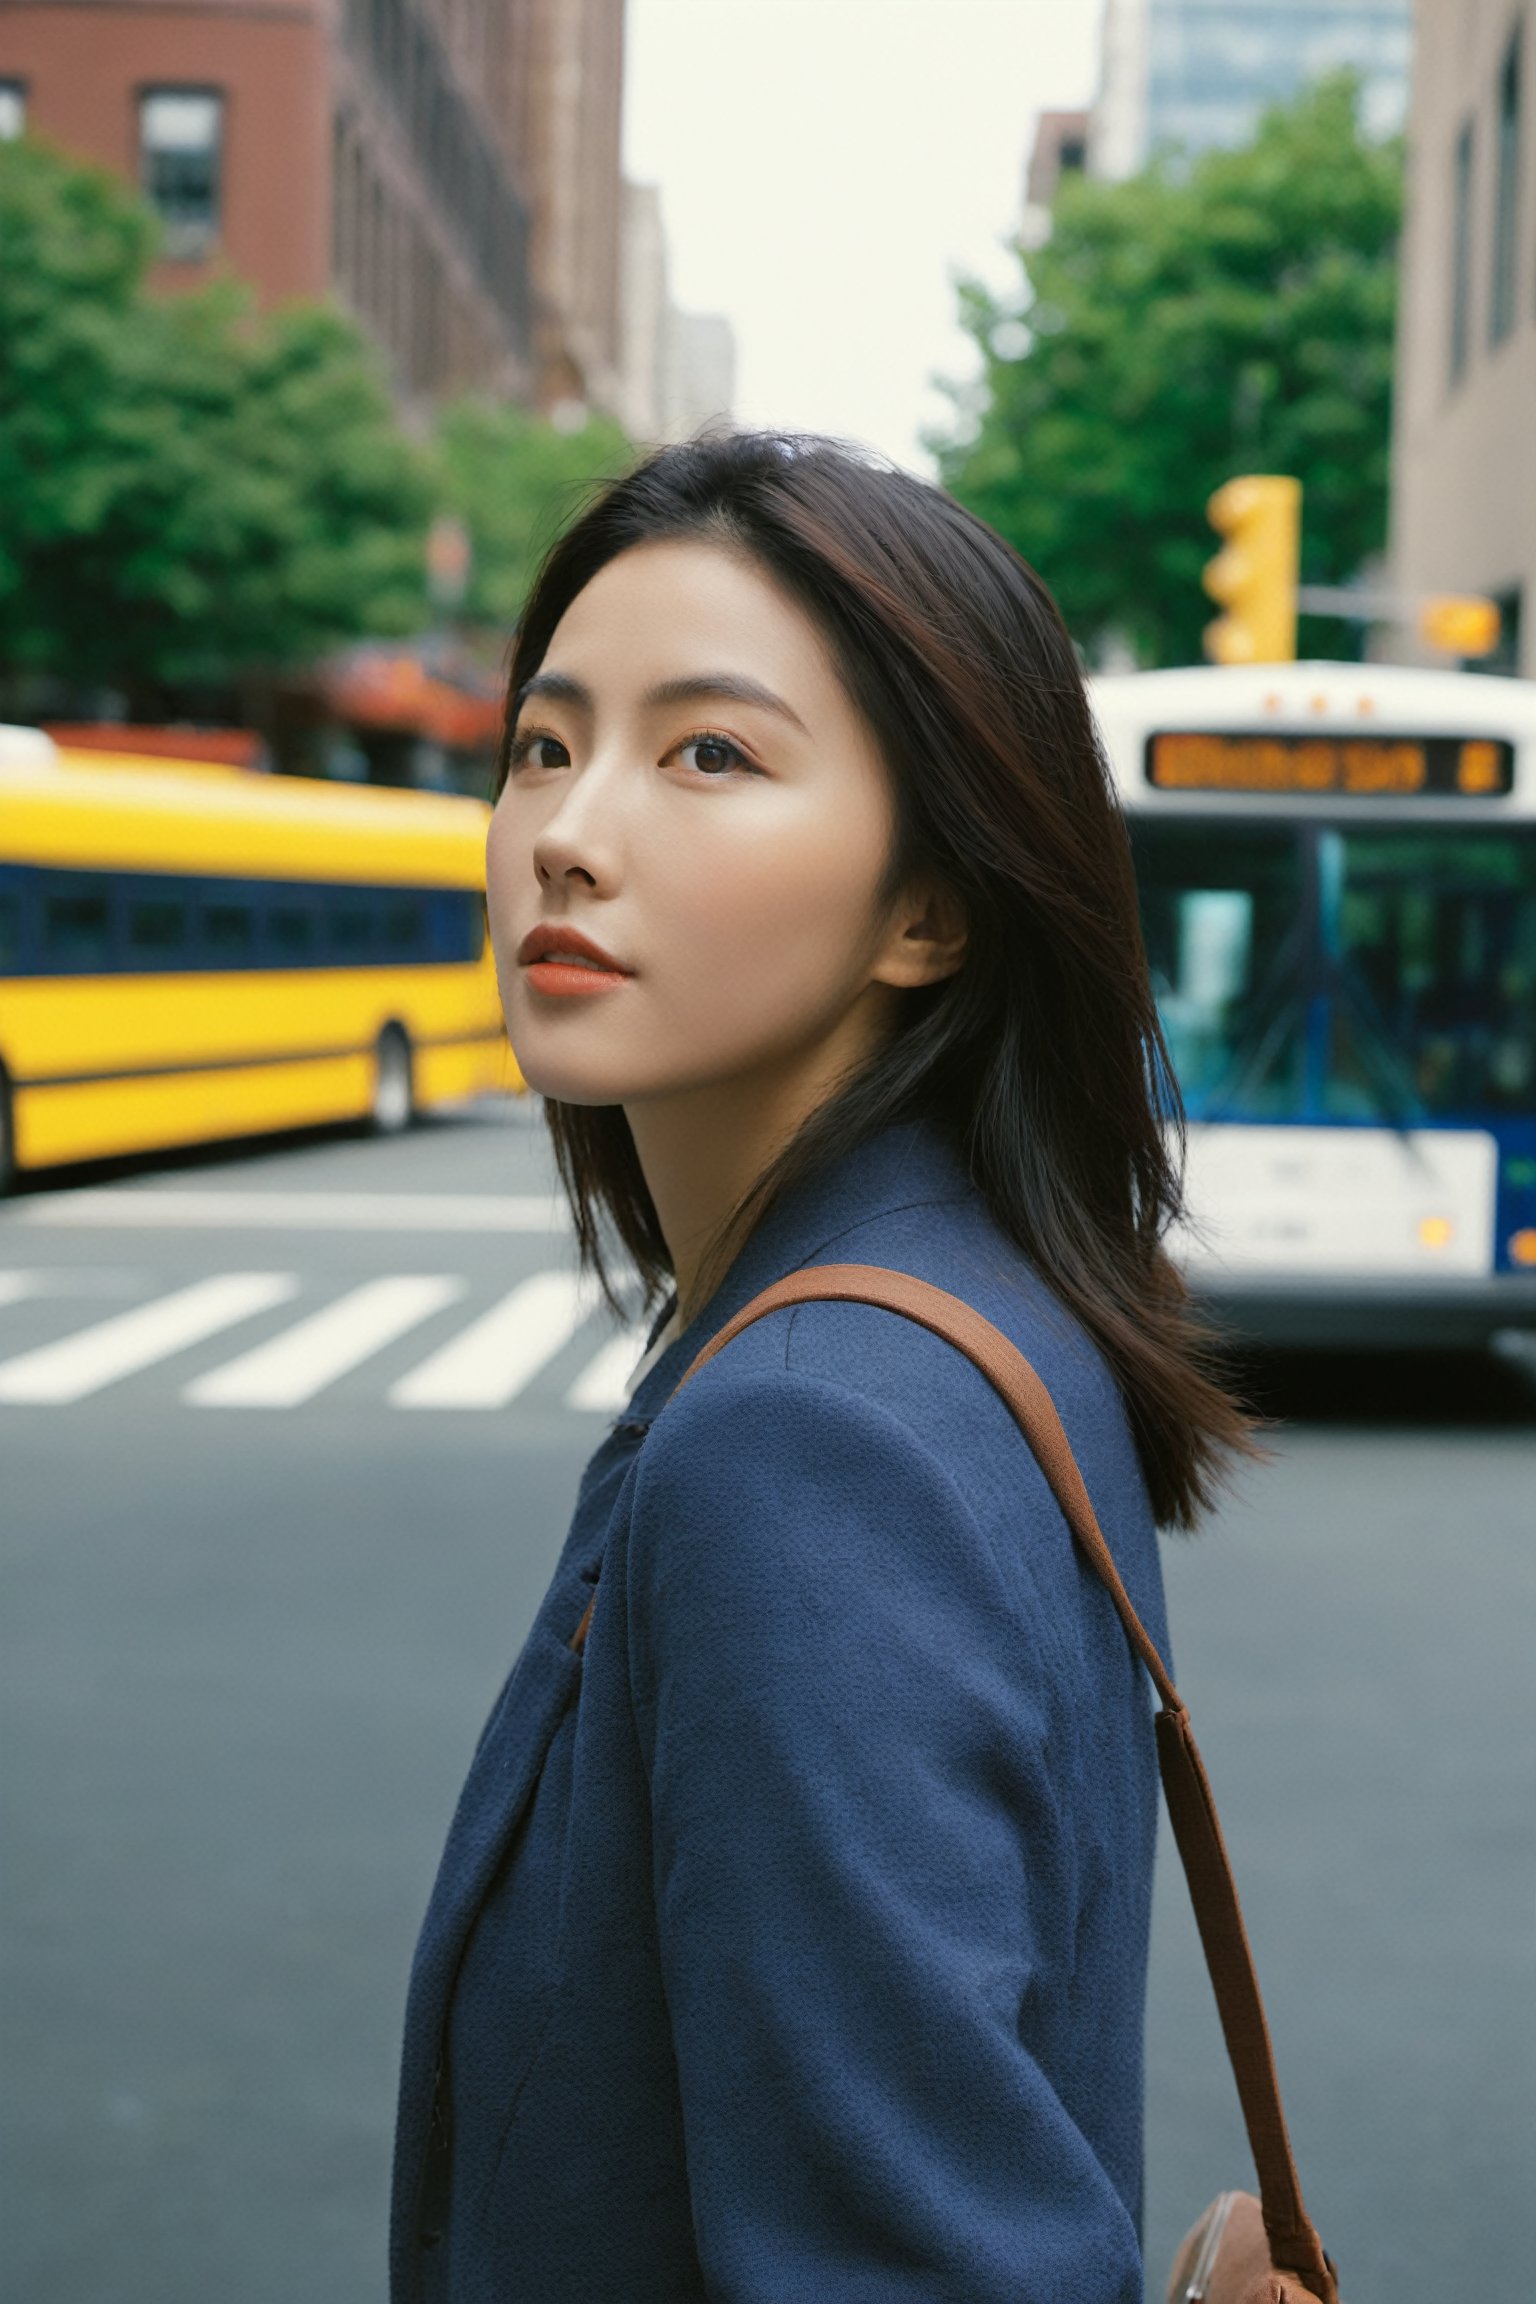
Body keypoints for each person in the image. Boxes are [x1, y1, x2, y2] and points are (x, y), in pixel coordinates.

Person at [390, 431, 1251, 2304]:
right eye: (545, 743)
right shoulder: (981, 1299)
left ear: (930, 907)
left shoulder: (812, 1431)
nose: (569, 827)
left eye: (710, 752)